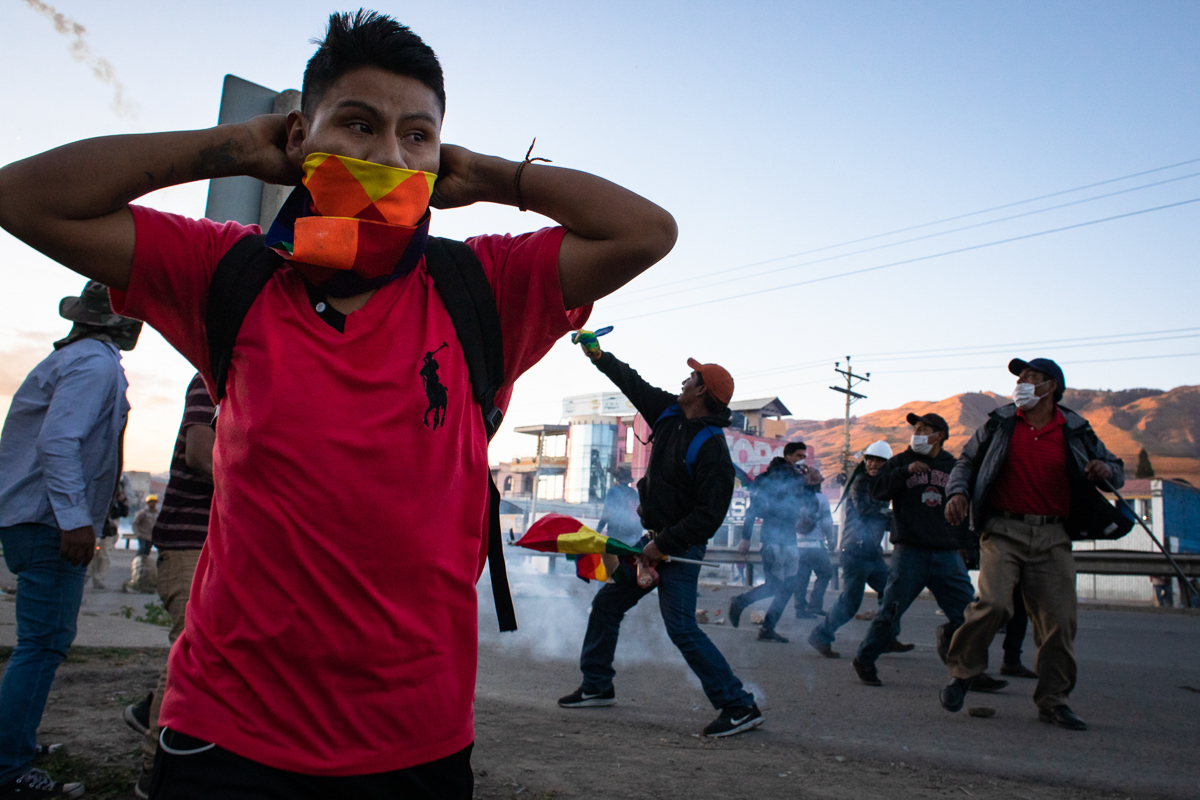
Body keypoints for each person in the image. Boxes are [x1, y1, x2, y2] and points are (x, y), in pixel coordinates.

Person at [0, 12, 676, 798]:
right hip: (227, 733)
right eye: (358, 124)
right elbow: (24, 197)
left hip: (415, 743)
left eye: (416, 136)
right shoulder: (232, 271)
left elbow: (645, 231)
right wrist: (236, 148)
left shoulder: (483, 286)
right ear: (302, 136)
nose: (389, 154)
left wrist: (491, 176)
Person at [559, 338, 762, 738]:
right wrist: (599, 356)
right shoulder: (668, 412)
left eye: (692, 376)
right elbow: (631, 382)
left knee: (682, 628)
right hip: (650, 543)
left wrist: (662, 544)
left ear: (702, 390)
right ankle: (597, 685)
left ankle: (740, 706)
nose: (685, 379)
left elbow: (708, 516)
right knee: (607, 605)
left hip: (678, 549)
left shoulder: (714, 452)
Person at [0, 280, 139, 799]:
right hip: (48, 524)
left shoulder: (72, 359)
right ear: (120, 320)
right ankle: (9, 769)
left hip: (32, 519)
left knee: (38, 644)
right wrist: (76, 520)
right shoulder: (93, 364)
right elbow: (59, 442)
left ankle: (15, 743)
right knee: (42, 645)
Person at [941, 358, 1124, 731]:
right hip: (1003, 530)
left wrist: (1105, 471)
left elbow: (1115, 468)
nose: (1022, 382)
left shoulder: (1074, 429)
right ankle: (963, 674)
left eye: (1031, 377)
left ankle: (1054, 701)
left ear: (1052, 386)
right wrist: (956, 493)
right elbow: (965, 463)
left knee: (1059, 621)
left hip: (1054, 536)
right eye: (1020, 378)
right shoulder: (1001, 422)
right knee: (992, 604)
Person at [121, 374, 215, 798]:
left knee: (200, 652)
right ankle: (151, 773)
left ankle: (150, 717)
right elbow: (200, 454)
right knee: (188, 651)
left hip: (215, 542)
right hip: (191, 544)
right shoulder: (211, 380)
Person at [851, 413, 994, 690]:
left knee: (967, 614)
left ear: (940, 435)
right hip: (910, 552)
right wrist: (904, 473)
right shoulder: (900, 461)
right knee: (890, 611)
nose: (916, 433)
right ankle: (865, 658)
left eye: (923, 429)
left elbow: (965, 508)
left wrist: (966, 545)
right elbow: (876, 491)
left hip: (946, 553)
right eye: (914, 428)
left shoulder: (952, 466)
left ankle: (968, 670)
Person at [808, 440, 895, 658]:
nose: (874, 464)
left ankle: (887, 637)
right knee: (850, 602)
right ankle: (820, 635)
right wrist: (897, 517)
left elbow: (881, 521)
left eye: (880, 461)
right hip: (855, 551)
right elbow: (865, 510)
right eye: (871, 459)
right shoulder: (861, 483)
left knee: (892, 593)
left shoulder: (882, 486)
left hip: (871, 552)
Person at [728, 443, 810, 642]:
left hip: (789, 539)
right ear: (788, 456)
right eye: (798, 455)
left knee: (789, 586)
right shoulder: (770, 478)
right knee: (775, 585)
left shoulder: (799, 478)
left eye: (803, 455)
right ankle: (740, 602)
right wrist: (746, 538)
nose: (802, 459)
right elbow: (753, 509)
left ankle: (768, 628)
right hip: (772, 539)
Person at [795, 472, 834, 619]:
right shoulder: (822, 499)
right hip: (816, 546)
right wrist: (831, 541)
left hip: (798, 547)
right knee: (825, 574)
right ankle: (815, 606)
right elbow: (827, 523)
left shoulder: (795, 499)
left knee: (801, 578)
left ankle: (800, 610)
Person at [597, 464, 642, 547]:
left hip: (615, 533)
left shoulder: (613, 491)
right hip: (629, 534)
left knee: (614, 559)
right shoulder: (633, 493)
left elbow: (607, 514)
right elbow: (638, 515)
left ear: (617, 479)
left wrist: (597, 532)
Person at [125, 493, 159, 593]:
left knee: (147, 554)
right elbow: (135, 523)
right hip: (144, 536)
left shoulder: (157, 513)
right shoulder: (143, 513)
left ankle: (145, 572)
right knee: (142, 553)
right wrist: (137, 534)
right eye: (150, 502)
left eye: (154, 502)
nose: (152, 504)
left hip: (152, 537)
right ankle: (137, 570)